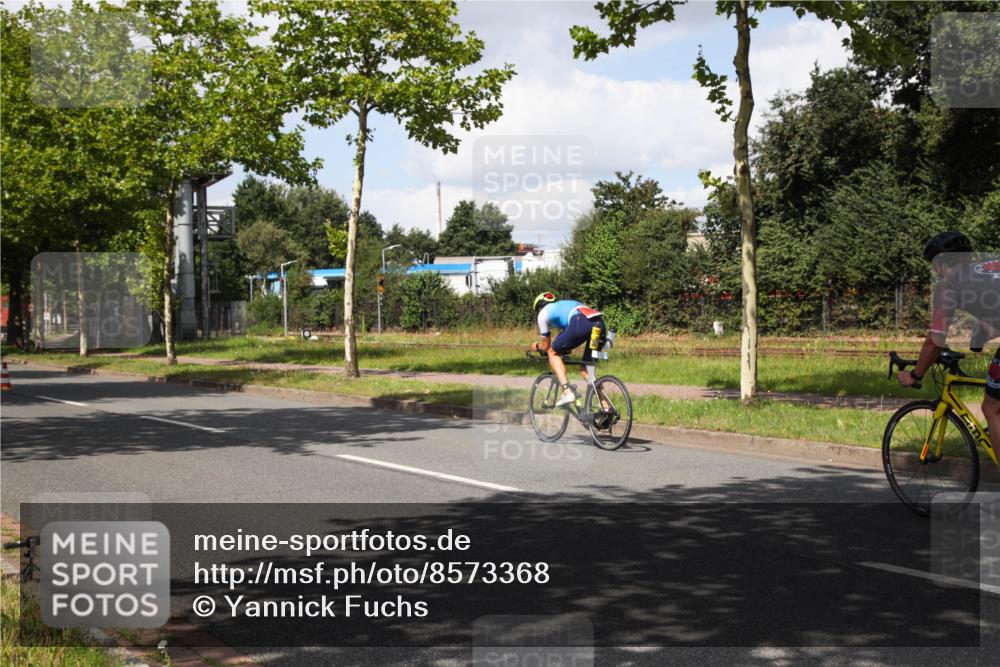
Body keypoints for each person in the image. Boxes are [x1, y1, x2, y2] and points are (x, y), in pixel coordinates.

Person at [896, 231, 1000, 451]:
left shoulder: (948, 286)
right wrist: (982, 333)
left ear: (941, 262)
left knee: (992, 409)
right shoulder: (991, 265)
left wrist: (915, 375)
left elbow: (935, 341)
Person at [528, 292, 607, 407]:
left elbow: (545, 346)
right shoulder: (565, 306)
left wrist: (536, 346)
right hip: (598, 325)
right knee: (587, 368)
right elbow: (569, 336)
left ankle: (567, 392)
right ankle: (605, 406)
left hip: (580, 322)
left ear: (539, 307)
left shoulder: (543, 314)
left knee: (552, 352)